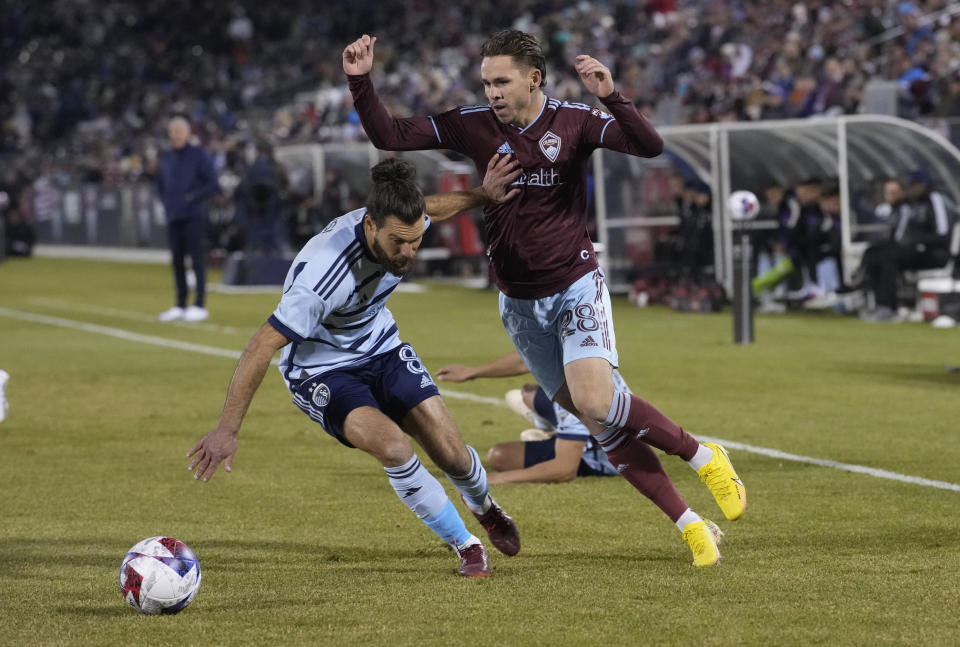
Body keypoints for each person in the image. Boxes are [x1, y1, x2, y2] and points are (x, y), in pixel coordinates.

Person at [344, 29, 746, 567]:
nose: (492, 92)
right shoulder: (473, 125)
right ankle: (692, 524)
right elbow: (389, 131)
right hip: (518, 303)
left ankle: (701, 454)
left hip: (575, 281)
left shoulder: (576, 121)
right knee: (601, 424)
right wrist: (359, 80)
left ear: (533, 78)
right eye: (486, 82)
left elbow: (650, 146)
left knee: (597, 403)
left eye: (502, 82)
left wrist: (611, 95)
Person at [187, 156, 522, 578]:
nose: (409, 251)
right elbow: (259, 347)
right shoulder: (325, 277)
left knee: (453, 454)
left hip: (381, 346)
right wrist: (227, 429)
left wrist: (481, 195)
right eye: (398, 242)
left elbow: (432, 208)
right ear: (369, 226)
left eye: (415, 240)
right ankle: (466, 544)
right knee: (394, 447)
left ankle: (485, 508)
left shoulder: (405, 222)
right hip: (322, 370)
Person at [436, 351, 619, 483]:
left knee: (499, 456)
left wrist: (496, 479)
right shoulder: (579, 358)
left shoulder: (578, 397)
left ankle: (562, 439)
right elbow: (525, 360)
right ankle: (556, 434)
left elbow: (564, 470)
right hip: (595, 422)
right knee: (526, 393)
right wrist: (471, 372)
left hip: (596, 454)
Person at [860, 174, 953, 322]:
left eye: (917, 185)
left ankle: (889, 306)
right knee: (873, 254)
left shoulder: (934, 199)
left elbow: (943, 233)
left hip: (934, 252)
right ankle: (876, 302)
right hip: (914, 249)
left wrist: (918, 241)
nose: (914, 188)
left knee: (888, 257)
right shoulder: (911, 205)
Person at [156, 116, 221, 322]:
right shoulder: (167, 158)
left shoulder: (199, 156)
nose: (176, 135)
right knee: (176, 260)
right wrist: (167, 202)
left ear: (188, 133)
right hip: (174, 216)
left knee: (197, 259)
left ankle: (200, 303)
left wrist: (192, 198)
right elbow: (159, 184)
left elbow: (213, 184)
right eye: (173, 131)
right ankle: (180, 303)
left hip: (194, 216)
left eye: (179, 131)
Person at [234, 138, 290, 255]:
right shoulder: (252, 169)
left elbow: (286, 186)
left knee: (272, 236)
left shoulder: (278, 167)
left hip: (271, 207)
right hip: (256, 207)